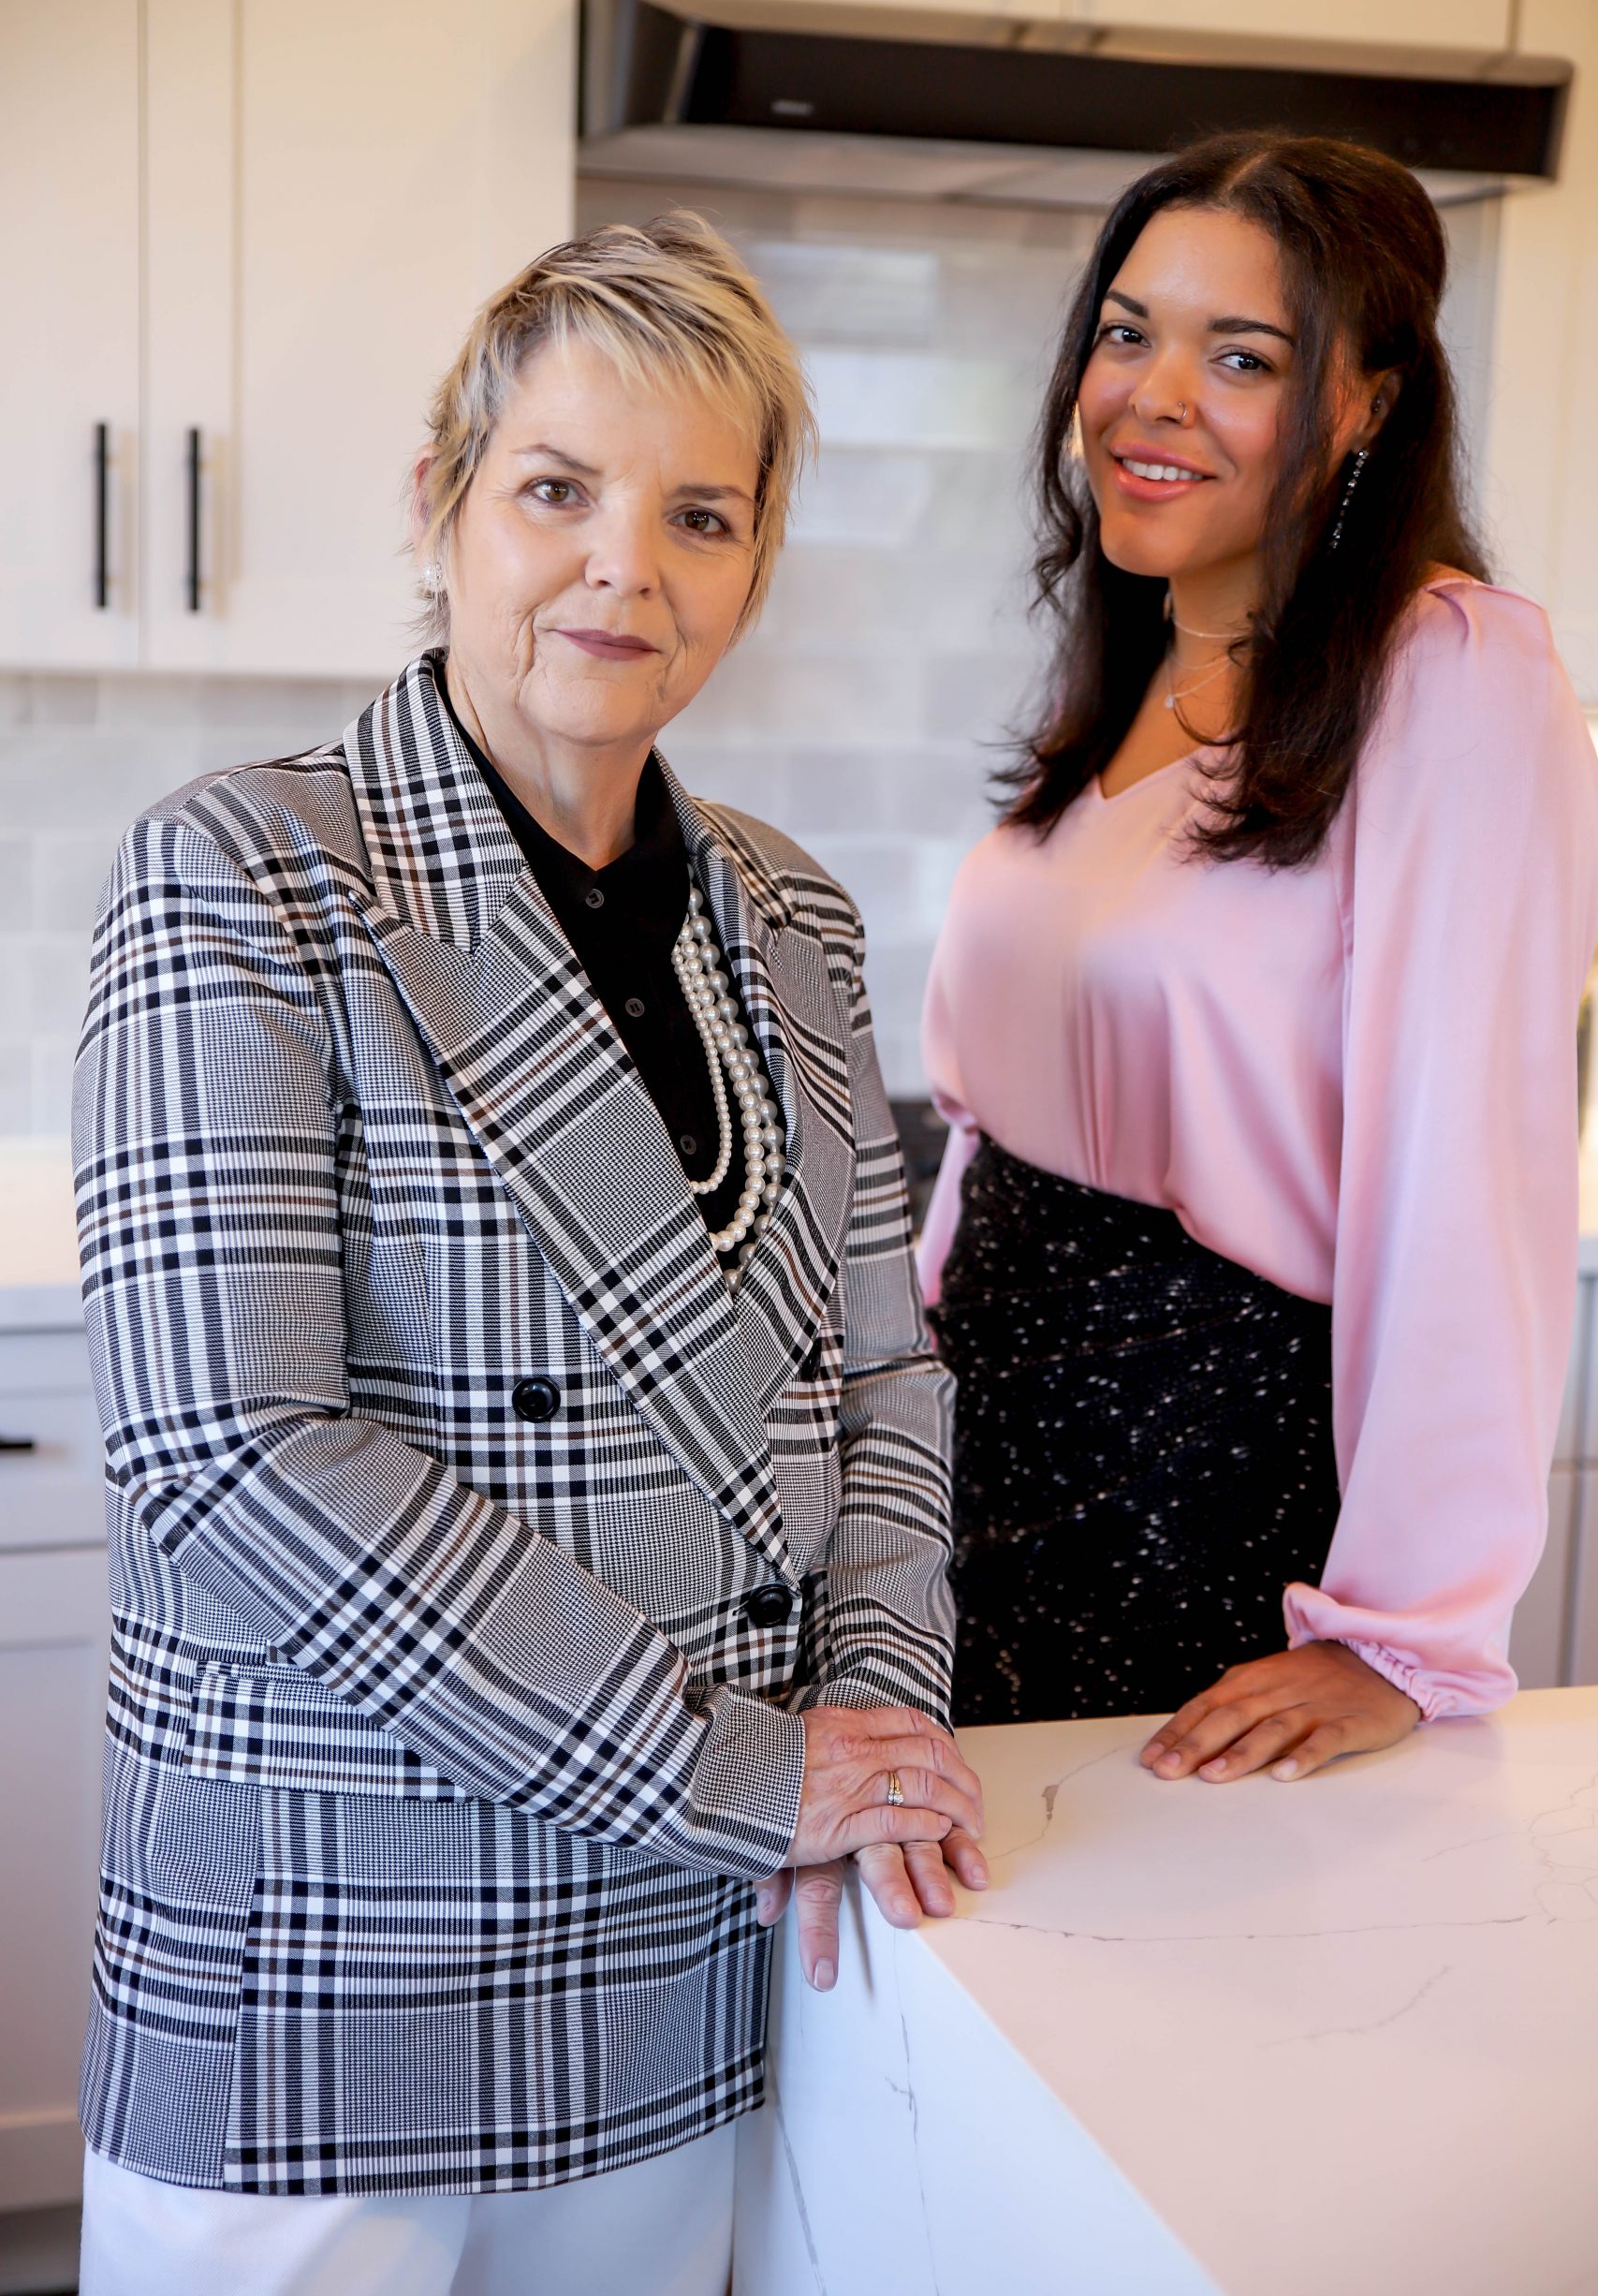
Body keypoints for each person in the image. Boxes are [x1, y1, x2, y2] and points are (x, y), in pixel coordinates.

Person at [73, 214, 985, 2296]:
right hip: (338, 1962)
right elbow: (234, 1462)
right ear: (443, 504)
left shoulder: (792, 915)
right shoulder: (244, 874)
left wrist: (880, 1726)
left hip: (696, 1945)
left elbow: (881, 1382)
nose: (621, 568)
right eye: (554, 489)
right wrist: (750, 1765)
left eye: (698, 514)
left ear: (755, 563)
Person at [920, 133, 1598, 1782]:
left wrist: (1405, 1633)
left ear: (1365, 403)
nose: (1151, 394)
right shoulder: (1132, 676)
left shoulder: (1448, 676)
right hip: (978, 1462)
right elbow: (983, 1134)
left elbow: (1467, 1172)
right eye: (1128, 331)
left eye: (1243, 357)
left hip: (1196, 1478)